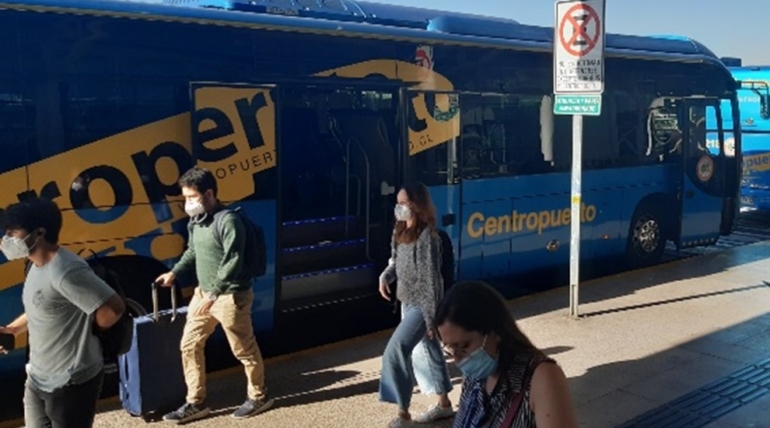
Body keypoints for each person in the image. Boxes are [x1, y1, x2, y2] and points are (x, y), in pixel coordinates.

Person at [155, 166, 272, 424]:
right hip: (204, 294)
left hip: (231, 296)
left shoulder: (229, 220)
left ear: (208, 194)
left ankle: (258, 396)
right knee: (189, 344)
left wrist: (214, 294)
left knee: (244, 349)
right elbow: (193, 251)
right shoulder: (195, 222)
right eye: (185, 197)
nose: (187, 203)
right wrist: (173, 272)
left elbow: (234, 260)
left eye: (191, 197)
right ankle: (195, 402)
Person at [0, 197, 125, 428]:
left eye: (13, 232)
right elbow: (42, 308)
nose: (6, 239)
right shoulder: (34, 265)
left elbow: (113, 307)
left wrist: (91, 331)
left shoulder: (66, 271)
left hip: (70, 382)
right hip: (37, 378)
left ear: (39, 233)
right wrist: (12, 329)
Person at [435, 281, 578, 428]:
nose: (458, 360)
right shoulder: (474, 379)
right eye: (451, 349)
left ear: (494, 331)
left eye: (464, 346)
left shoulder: (542, 377)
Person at [378, 182, 454, 427]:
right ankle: (444, 404)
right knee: (429, 351)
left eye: (404, 203)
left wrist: (432, 319)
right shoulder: (399, 231)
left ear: (418, 205)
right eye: (398, 203)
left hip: (423, 305)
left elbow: (431, 280)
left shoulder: (428, 238)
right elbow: (395, 262)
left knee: (395, 350)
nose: (399, 208)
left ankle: (403, 413)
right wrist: (386, 276)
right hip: (406, 301)